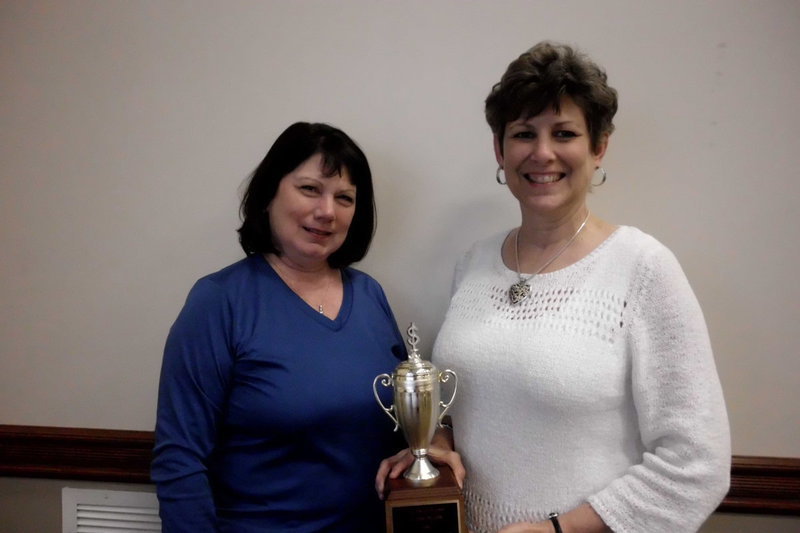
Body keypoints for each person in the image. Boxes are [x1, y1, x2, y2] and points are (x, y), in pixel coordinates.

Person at [377, 42, 731, 533]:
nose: (542, 153)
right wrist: (436, 444)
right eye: (524, 134)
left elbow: (697, 464)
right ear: (500, 150)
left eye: (564, 133)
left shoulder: (643, 269)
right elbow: (474, 409)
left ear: (598, 147)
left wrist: (556, 529)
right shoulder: (474, 264)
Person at [152, 122, 406, 532]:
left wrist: (434, 441)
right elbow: (180, 459)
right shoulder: (219, 301)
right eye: (309, 189)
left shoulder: (370, 295)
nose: (327, 211)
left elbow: (403, 425)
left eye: (344, 198)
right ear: (270, 193)